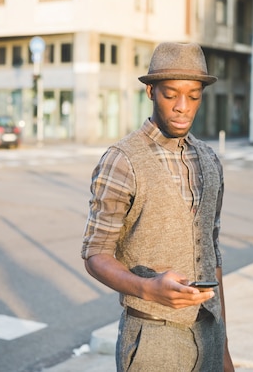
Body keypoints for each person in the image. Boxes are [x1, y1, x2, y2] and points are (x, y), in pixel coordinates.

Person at [81, 42, 235, 371]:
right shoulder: (122, 160)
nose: (183, 107)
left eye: (193, 96)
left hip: (209, 334)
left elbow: (213, 252)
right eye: (171, 95)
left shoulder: (209, 159)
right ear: (150, 92)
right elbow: (95, 254)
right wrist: (148, 288)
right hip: (153, 340)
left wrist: (223, 348)